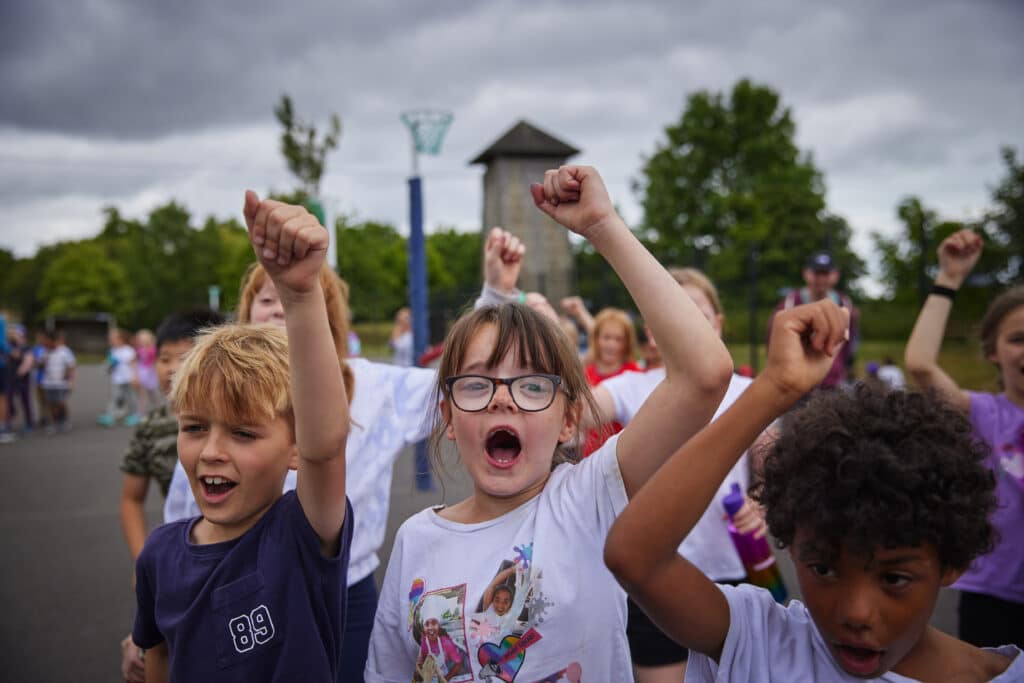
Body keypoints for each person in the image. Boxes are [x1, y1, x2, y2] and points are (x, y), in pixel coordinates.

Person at [364, 165, 733, 681]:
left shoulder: (589, 500)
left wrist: (604, 227)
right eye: (476, 384)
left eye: (532, 385)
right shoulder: (413, 541)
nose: (502, 401)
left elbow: (705, 374)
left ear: (570, 420)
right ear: (447, 417)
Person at [162, 226, 527, 679]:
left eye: (294, 293)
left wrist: (495, 294)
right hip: (234, 584)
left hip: (344, 588)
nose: (279, 305)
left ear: (325, 313)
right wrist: (159, 614)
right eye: (266, 297)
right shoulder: (218, 399)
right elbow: (181, 514)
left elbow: (458, 382)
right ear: (246, 313)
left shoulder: (371, 386)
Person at [605, 299, 1023, 681]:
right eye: (823, 568)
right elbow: (635, 556)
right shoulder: (765, 644)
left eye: (894, 577)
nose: (856, 613)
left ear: (952, 563)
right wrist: (777, 387)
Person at [132, 191, 353, 682]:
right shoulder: (159, 554)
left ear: (295, 449)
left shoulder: (301, 533)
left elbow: (327, 444)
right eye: (194, 427)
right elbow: (158, 655)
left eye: (243, 433)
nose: (211, 452)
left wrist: (299, 295)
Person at [594, 267, 768, 681]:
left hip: (735, 572)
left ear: (719, 324)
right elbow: (571, 414)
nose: (688, 323)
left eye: (699, 312)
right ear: (653, 329)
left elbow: (777, 470)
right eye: (676, 311)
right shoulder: (629, 387)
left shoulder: (749, 391)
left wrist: (762, 503)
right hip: (653, 578)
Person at [904, 228, 1024, 649]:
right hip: (993, 596)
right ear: (993, 351)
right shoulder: (986, 414)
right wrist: (949, 279)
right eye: (1017, 339)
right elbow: (919, 364)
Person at [117, 310, 225, 682]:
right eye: (164, 359)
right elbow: (132, 498)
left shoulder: (234, 416)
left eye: (184, 358)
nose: (171, 369)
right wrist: (142, 561)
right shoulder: (152, 427)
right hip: (180, 551)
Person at [767, 250, 857, 390]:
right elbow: (772, 342)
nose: (821, 279)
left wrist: (842, 369)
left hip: (832, 383)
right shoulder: (788, 304)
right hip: (795, 384)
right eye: (817, 273)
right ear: (806, 273)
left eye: (825, 274)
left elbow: (849, 344)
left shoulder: (846, 305)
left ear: (835, 275)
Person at [98, 328, 139, 427]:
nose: (111, 341)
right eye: (110, 339)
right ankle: (110, 415)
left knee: (131, 397)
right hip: (117, 379)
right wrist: (110, 365)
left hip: (128, 379)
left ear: (121, 339)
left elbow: (134, 364)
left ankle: (134, 415)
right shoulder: (113, 351)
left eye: (113, 339)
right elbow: (109, 366)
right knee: (115, 397)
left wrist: (135, 376)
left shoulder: (128, 350)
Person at [39, 329, 75, 434]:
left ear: (51, 340)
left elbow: (71, 366)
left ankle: (64, 420)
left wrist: (71, 380)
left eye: (46, 340)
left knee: (61, 402)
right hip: (48, 383)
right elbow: (40, 366)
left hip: (62, 384)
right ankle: (55, 423)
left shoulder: (64, 351)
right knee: (51, 404)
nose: (44, 342)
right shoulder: (44, 351)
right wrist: (43, 360)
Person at [132, 329, 161, 415]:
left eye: (143, 339)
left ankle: (159, 409)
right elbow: (136, 360)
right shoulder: (140, 350)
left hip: (150, 373)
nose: (141, 341)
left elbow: (156, 361)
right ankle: (140, 412)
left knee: (153, 393)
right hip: (142, 372)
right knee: (142, 394)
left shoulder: (153, 349)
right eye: (140, 340)